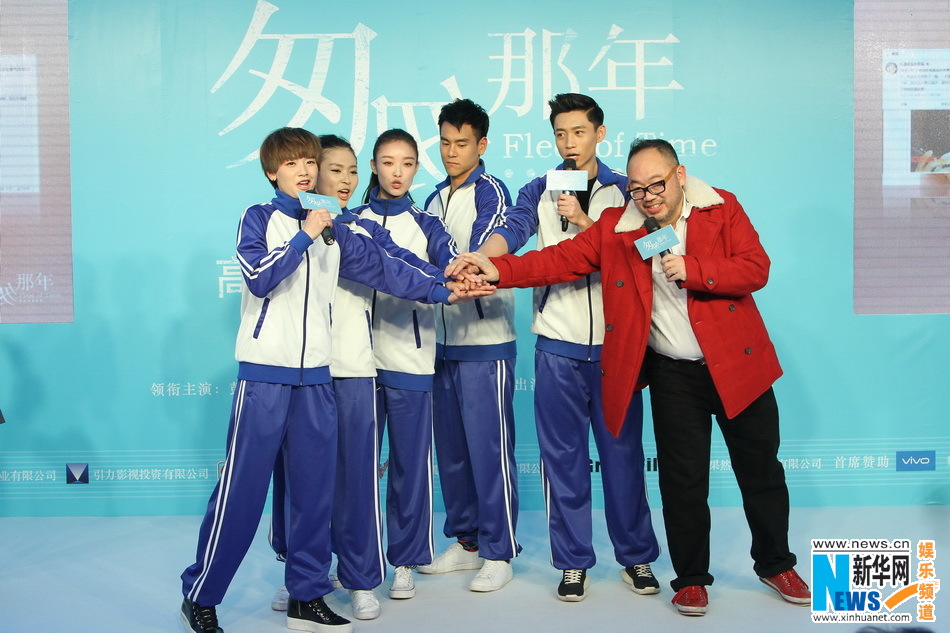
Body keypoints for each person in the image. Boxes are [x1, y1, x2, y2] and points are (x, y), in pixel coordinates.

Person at [449, 138, 811, 617]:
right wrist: (495, 269)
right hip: (673, 373)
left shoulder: (720, 208)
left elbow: (754, 268)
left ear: (680, 176)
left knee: (760, 472)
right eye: (637, 189)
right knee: (683, 482)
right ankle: (691, 580)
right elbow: (557, 260)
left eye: (656, 185)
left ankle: (775, 564)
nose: (647, 197)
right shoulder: (620, 227)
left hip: (738, 365)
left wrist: (694, 268)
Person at [179, 127, 487, 633]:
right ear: (272, 172)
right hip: (266, 378)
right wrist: (305, 233)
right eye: (293, 163)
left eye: (309, 162)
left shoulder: (335, 231)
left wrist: (444, 289)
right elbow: (259, 276)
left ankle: (307, 595)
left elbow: (388, 269)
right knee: (241, 492)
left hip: (318, 381)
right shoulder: (259, 217)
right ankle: (201, 594)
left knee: (313, 496)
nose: (304, 171)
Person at [473, 93, 660, 602]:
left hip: (617, 347)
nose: (569, 143)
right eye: (560, 134)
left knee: (623, 457)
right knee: (562, 460)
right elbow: (512, 231)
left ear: (600, 133)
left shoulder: (628, 191)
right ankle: (573, 562)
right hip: (557, 345)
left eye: (579, 132)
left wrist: (585, 225)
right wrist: (483, 259)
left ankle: (636, 557)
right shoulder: (540, 188)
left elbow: (652, 249)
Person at [267, 135, 454, 621]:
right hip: (302, 369)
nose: (346, 180)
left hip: (352, 369)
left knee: (355, 482)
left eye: (352, 170)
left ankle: (360, 578)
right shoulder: (284, 225)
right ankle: (302, 576)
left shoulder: (357, 228)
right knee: (301, 480)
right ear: (311, 174)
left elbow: (397, 268)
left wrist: (447, 286)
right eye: (335, 170)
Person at [352, 128, 461, 602]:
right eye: (388, 162)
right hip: (355, 363)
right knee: (355, 469)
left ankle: (405, 560)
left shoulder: (427, 224)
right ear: (373, 166)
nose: (397, 172)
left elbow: (450, 265)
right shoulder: (351, 220)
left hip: (411, 358)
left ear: (417, 168)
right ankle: (355, 562)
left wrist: (466, 274)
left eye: (407, 163)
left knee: (410, 465)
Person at [418, 99, 520, 592]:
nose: (451, 152)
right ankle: (467, 541)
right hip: (440, 342)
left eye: (461, 143)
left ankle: (499, 551)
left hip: (486, 339)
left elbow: (487, 240)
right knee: (453, 452)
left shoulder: (492, 190)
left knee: (489, 450)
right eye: (444, 142)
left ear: (482, 145)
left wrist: (462, 264)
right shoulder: (432, 198)